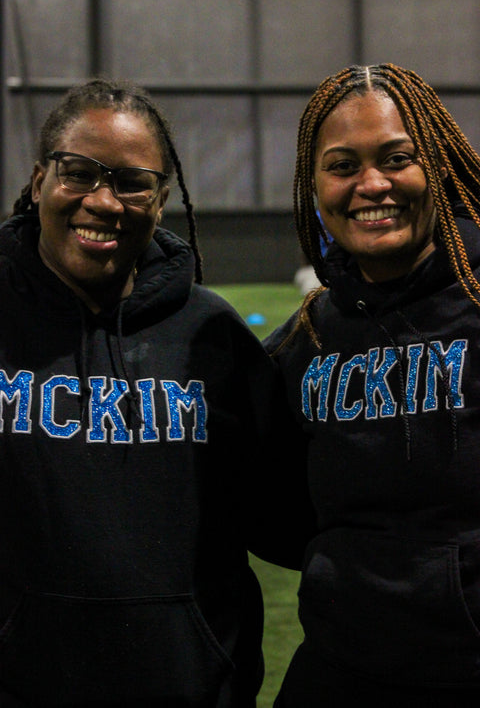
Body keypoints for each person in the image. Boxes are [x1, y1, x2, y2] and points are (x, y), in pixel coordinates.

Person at [0, 78, 309, 707]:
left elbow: (289, 519)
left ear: (161, 201)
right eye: (78, 173)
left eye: (132, 183)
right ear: (38, 183)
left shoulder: (212, 337)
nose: (103, 201)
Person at [265, 63, 480, 706]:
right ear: (315, 186)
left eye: (397, 158)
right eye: (342, 166)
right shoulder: (305, 338)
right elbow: (266, 502)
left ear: (439, 166)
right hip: (339, 668)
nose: (371, 184)